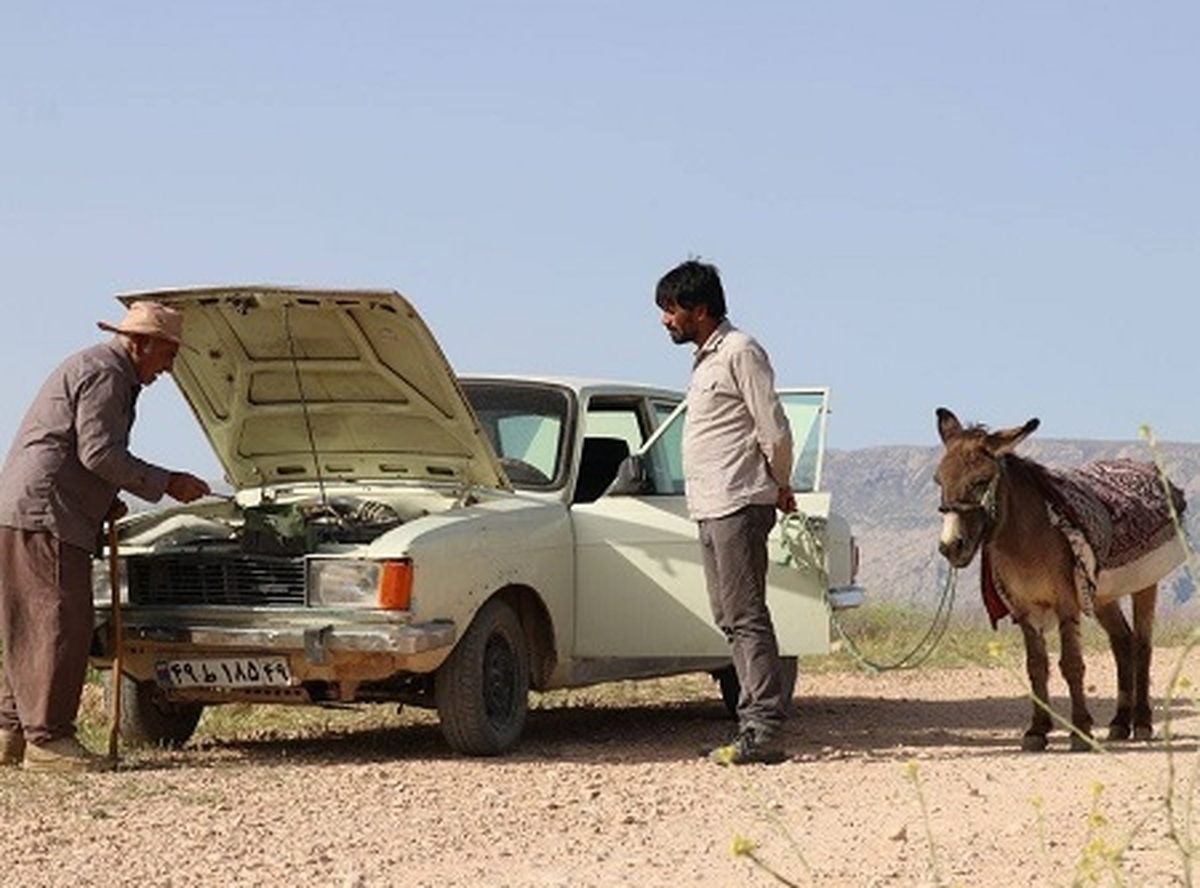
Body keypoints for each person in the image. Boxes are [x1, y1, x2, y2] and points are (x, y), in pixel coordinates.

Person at [0, 300, 211, 772]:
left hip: (29, 507)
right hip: (49, 512)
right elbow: (98, 452)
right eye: (167, 355)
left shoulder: (98, 367)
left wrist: (103, 499)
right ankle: (49, 740)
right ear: (140, 344)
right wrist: (167, 482)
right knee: (60, 624)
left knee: (29, 624)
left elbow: (83, 452)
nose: (168, 369)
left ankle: (11, 734)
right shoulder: (109, 373)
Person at [655, 259, 796, 766]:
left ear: (700, 309)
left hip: (740, 499)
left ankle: (764, 729)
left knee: (746, 614)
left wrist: (781, 485)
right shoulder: (705, 360)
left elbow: (773, 427)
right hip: (711, 504)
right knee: (730, 616)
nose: (665, 321)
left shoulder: (741, 351)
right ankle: (753, 727)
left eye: (671, 310)